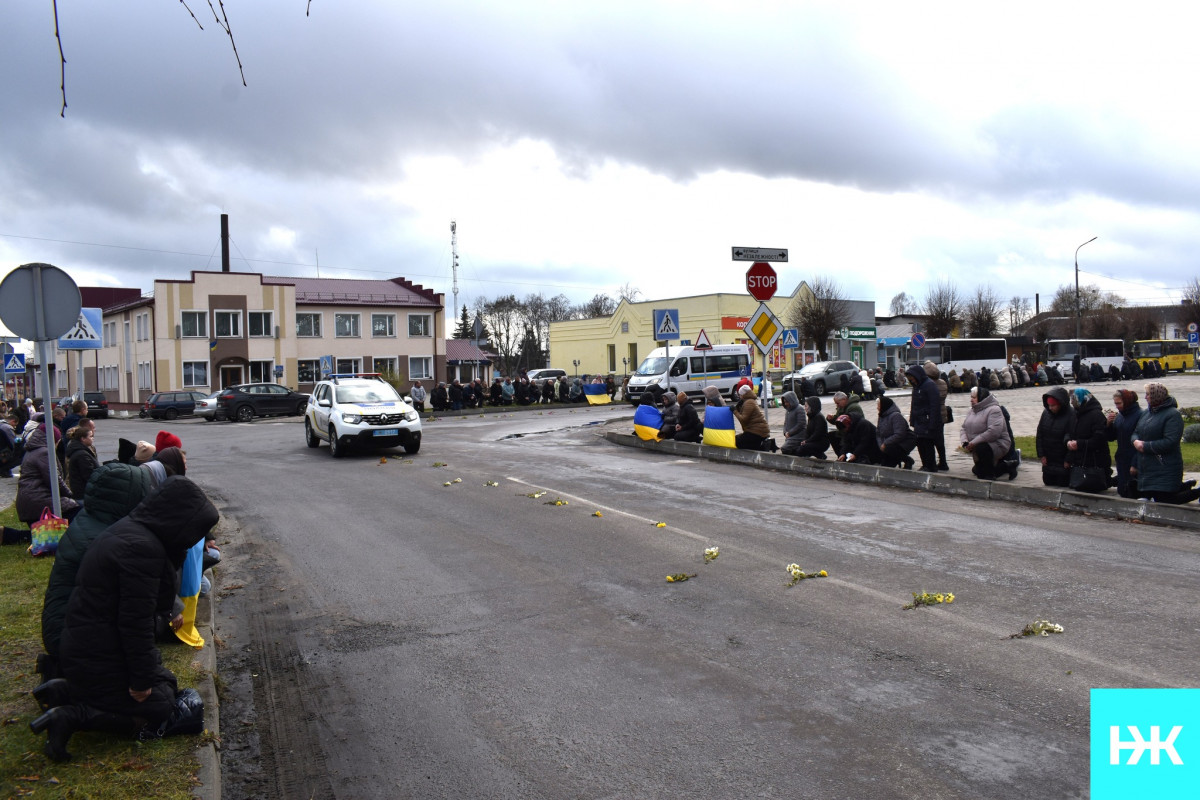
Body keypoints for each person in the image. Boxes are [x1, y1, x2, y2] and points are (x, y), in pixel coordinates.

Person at [31, 476, 219, 762]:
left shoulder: (132, 532)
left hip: (87, 648)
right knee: (160, 705)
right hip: (96, 653)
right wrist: (140, 681)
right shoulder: (143, 550)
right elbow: (135, 623)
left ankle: (66, 690)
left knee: (167, 684)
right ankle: (73, 716)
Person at [37, 463, 155, 683]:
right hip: (71, 639)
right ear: (127, 496)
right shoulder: (106, 539)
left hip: (62, 628)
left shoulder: (90, 520)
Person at [1132, 382, 1196, 503]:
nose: (1145, 397)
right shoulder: (1147, 413)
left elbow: (1170, 441)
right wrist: (1135, 441)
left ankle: (1196, 492)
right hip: (1148, 466)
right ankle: (1184, 486)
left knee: (1166, 500)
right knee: (1147, 495)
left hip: (1165, 465)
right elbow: (1136, 431)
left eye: (1148, 394)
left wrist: (1145, 446)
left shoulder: (1172, 414)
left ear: (1156, 396)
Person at [16, 421, 80, 528]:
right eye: (58, 442)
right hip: (39, 501)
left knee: (44, 533)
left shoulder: (33, 450)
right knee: (78, 511)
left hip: (31, 500)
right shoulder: (44, 452)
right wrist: (70, 494)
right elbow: (54, 480)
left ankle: (7, 534)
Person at [959, 386, 1012, 480]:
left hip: (997, 444)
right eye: (971, 397)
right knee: (977, 471)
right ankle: (1004, 466)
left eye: (974, 397)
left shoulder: (994, 409)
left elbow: (993, 432)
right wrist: (965, 442)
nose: (971, 400)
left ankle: (1000, 470)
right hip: (977, 445)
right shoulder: (972, 410)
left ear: (982, 397)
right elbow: (964, 428)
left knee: (984, 473)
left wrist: (973, 443)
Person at [1065, 388, 1112, 491]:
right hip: (1078, 459)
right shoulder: (1075, 414)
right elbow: (1069, 432)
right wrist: (1068, 441)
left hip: (1094, 461)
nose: (1072, 403)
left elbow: (1099, 439)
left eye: (1074, 400)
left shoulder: (1096, 415)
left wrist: (1079, 444)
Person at [1106, 389, 1145, 498]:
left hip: (1133, 458)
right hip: (1122, 459)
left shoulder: (1140, 415)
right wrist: (1108, 424)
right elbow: (1112, 437)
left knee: (1133, 491)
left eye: (1119, 403)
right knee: (1123, 490)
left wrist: (1135, 463)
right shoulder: (1120, 416)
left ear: (1127, 401)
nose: (1117, 406)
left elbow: (1142, 440)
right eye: (1115, 404)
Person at [906, 364, 943, 472]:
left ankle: (930, 465)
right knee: (920, 443)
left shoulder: (929, 385)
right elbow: (914, 404)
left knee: (927, 443)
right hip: (919, 420)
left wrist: (932, 423)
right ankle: (925, 464)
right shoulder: (917, 387)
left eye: (912, 378)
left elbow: (934, 406)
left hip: (927, 420)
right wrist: (912, 419)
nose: (912, 381)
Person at [1036, 387, 1075, 487]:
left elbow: (1073, 437)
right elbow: (1040, 434)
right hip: (1049, 459)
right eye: (1049, 405)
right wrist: (1041, 455)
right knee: (1048, 482)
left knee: (1063, 483)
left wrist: (1068, 460)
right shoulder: (1046, 413)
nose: (1050, 408)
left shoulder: (1071, 415)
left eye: (1053, 405)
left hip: (1062, 460)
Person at [876, 396, 916, 469]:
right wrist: (880, 444)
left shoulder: (896, 416)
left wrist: (885, 443)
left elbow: (899, 434)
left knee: (889, 449)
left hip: (904, 442)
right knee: (885, 464)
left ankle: (907, 460)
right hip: (890, 442)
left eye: (878, 405)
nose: (877, 408)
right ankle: (895, 459)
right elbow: (878, 433)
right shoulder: (882, 416)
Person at [64, 420, 99, 502]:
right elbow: (89, 474)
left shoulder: (80, 449)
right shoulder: (81, 454)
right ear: (83, 439)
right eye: (90, 436)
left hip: (80, 491)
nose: (92, 438)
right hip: (83, 493)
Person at [732, 385, 773, 451]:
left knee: (737, 442)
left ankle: (763, 446)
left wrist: (735, 411)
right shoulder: (750, 401)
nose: (739, 396)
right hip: (756, 431)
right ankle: (761, 444)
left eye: (740, 395)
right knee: (738, 440)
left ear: (743, 394)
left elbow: (743, 420)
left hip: (757, 432)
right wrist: (738, 408)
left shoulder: (749, 402)